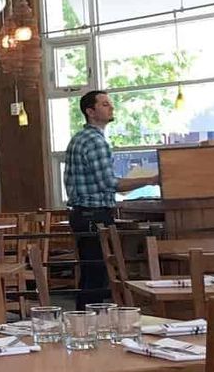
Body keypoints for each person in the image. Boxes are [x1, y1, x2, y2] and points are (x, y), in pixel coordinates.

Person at [64, 90, 159, 308]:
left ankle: (85, 324)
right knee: (97, 276)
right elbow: (109, 183)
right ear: (90, 111)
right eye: (105, 104)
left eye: (110, 104)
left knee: (92, 275)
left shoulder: (81, 138)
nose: (111, 108)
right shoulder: (95, 142)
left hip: (84, 213)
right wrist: (152, 180)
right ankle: (89, 326)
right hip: (93, 214)